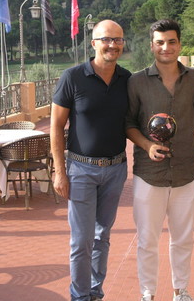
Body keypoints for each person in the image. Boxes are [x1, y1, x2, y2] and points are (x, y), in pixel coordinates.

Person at [125, 19, 194, 301]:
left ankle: (180, 290)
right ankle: (148, 293)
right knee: (148, 240)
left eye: (171, 41)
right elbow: (128, 124)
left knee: (183, 238)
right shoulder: (136, 81)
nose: (166, 47)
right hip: (149, 172)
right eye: (160, 42)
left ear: (180, 45)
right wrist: (147, 145)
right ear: (152, 46)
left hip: (187, 169)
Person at [51, 20, 131, 301]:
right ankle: (80, 296)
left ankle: (95, 292)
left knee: (102, 237)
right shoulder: (72, 77)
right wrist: (60, 172)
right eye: (107, 39)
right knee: (82, 241)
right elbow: (56, 127)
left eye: (118, 40)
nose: (113, 45)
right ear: (93, 43)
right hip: (81, 170)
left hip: (116, 169)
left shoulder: (127, 79)